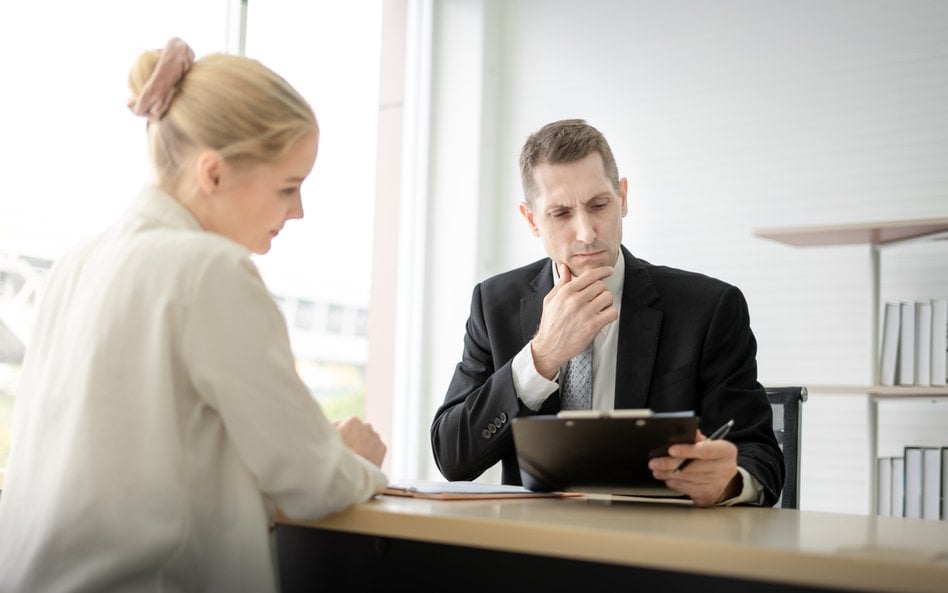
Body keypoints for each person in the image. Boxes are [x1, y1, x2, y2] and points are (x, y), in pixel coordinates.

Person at [0, 38, 388, 592]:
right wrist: (351, 459)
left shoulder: (77, 262)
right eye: (288, 187)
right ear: (212, 173)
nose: (297, 211)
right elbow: (313, 482)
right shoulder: (210, 269)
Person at [430, 119, 783, 508]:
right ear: (532, 220)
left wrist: (729, 483)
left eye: (599, 205)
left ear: (623, 198)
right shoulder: (493, 304)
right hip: (534, 549)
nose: (586, 232)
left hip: (657, 549)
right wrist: (541, 357)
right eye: (561, 214)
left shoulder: (709, 308)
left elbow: (761, 456)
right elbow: (452, 456)